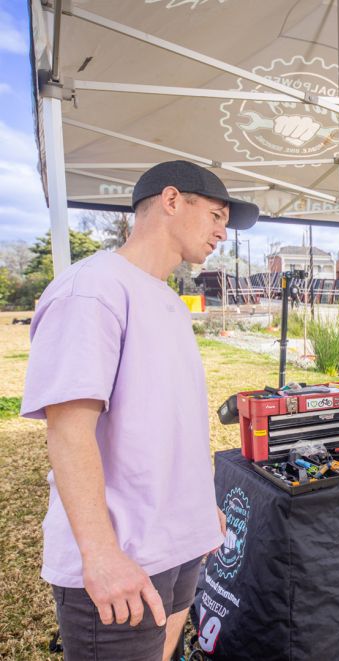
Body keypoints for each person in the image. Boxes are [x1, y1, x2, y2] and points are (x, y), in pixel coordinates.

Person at [21, 160, 259, 661]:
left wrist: (196, 505)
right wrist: (102, 555)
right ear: (172, 201)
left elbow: (162, 421)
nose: (222, 231)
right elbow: (69, 433)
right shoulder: (92, 290)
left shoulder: (168, 300)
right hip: (124, 554)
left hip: (176, 541)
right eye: (216, 215)